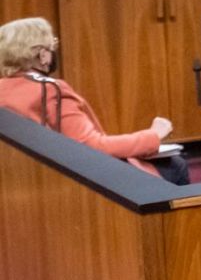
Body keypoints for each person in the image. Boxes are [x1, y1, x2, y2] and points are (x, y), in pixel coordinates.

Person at [0, 17, 187, 185]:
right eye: (51, 48)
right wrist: (152, 135)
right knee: (174, 165)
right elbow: (91, 148)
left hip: (20, 181)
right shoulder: (50, 89)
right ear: (41, 55)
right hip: (69, 184)